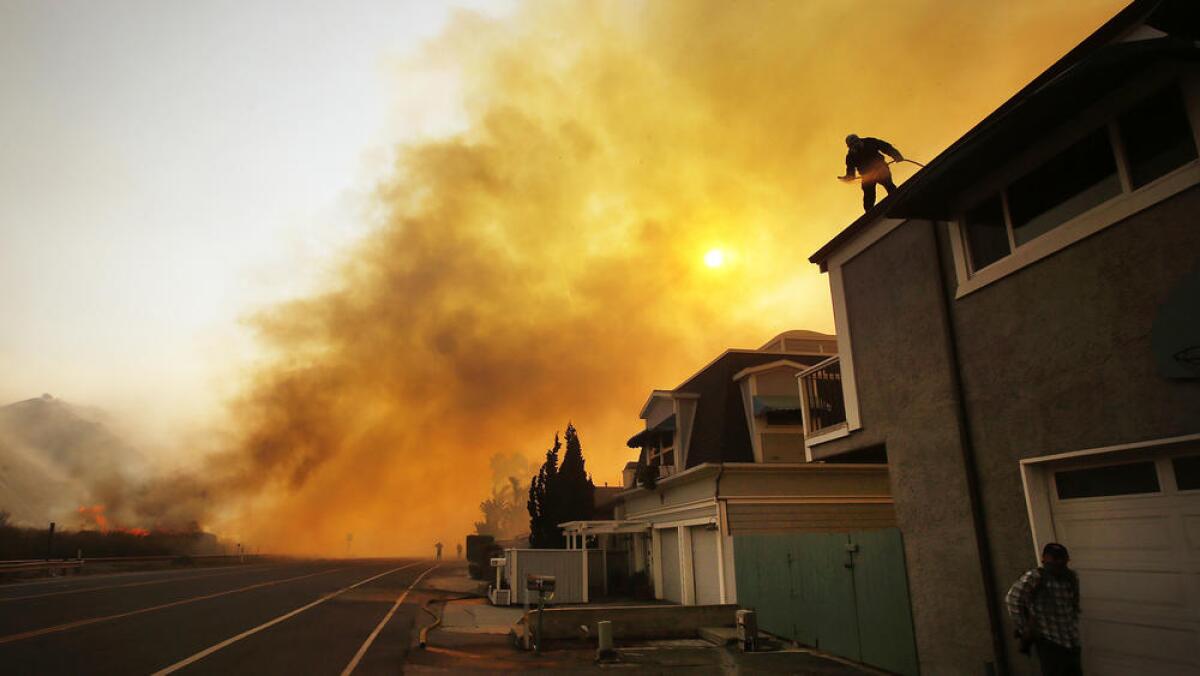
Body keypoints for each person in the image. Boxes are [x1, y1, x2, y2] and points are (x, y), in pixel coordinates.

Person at [1005, 542, 1082, 676]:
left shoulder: (1070, 577)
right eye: (1054, 558)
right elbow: (1012, 599)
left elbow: (1072, 606)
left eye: (1061, 558)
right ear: (1044, 559)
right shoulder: (1035, 577)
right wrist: (1025, 628)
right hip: (1051, 643)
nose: (1058, 562)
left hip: (1072, 643)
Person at [839, 134, 904, 211]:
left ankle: (898, 200)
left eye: (856, 142)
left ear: (859, 139)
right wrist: (848, 177)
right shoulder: (850, 156)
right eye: (852, 145)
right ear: (849, 147)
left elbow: (886, 147)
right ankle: (869, 213)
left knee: (889, 185)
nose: (855, 145)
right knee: (869, 196)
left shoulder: (870, 142)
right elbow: (850, 170)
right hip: (867, 176)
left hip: (880, 170)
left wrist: (896, 155)